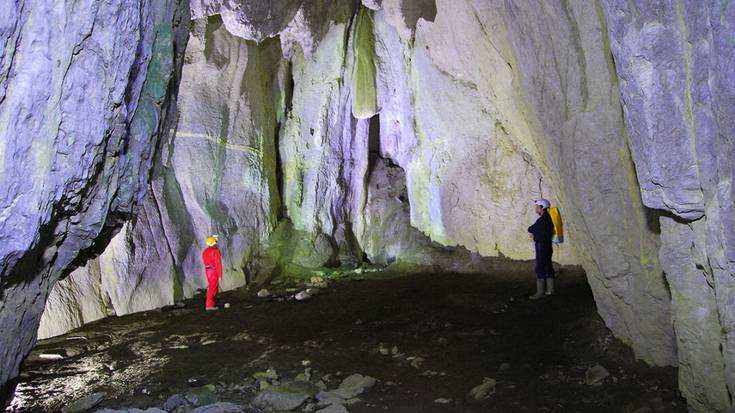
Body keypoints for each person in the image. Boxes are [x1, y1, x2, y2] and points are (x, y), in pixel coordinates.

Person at [528, 199, 555, 299]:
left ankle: (540, 293)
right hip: (547, 245)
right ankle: (550, 290)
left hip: (541, 245)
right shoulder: (548, 218)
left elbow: (531, 229)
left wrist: (534, 230)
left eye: (537, 206)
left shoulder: (542, 220)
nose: (536, 208)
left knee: (540, 267)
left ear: (542, 208)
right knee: (548, 265)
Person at [202, 235, 223, 310]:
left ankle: (212, 302)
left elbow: (204, 261)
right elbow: (218, 263)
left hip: (208, 271)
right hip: (214, 271)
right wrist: (220, 275)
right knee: (212, 287)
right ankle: (209, 305)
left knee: (212, 286)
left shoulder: (205, 251)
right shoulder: (215, 251)